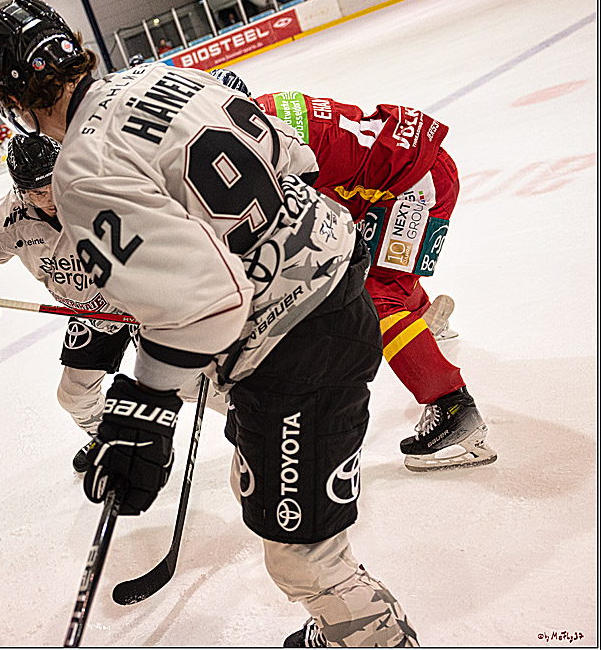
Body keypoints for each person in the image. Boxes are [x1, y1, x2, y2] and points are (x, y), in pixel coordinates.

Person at [0, 0, 417, 647]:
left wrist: (146, 405)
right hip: (338, 293)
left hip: (293, 346)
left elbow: (203, 306)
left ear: (10, 99)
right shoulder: (159, 78)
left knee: (299, 555)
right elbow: (297, 159)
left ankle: (372, 634)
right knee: (279, 495)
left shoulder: (81, 168)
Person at [209, 67, 497, 473]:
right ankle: (422, 325)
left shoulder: (259, 149)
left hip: (411, 185)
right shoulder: (270, 111)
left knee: (374, 297)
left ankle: (453, 409)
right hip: (405, 173)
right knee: (381, 275)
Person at [0, 134, 137, 473]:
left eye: (52, 184)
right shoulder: (10, 215)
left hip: (143, 306)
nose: (48, 198)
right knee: (74, 397)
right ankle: (109, 440)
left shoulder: (100, 187)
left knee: (190, 385)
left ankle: (255, 426)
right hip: (89, 315)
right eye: (36, 192)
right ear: (20, 189)